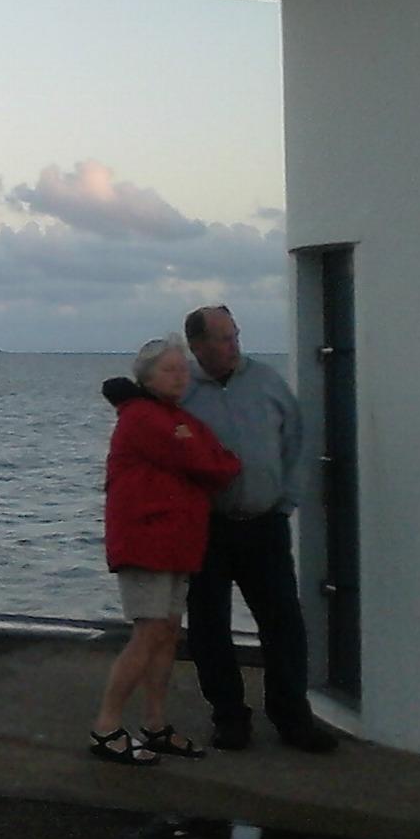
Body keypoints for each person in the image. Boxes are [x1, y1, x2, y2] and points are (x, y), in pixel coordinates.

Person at [182, 305, 339, 753]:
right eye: (223, 338)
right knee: (209, 627)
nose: (234, 345)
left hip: (264, 526)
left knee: (284, 622)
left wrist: (285, 502)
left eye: (235, 335)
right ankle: (229, 717)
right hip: (207, 529)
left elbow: (297, 443)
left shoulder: (267, 382)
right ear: (197, 345)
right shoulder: (181, 391)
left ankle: (292, 717)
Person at [91, 336, 243, 765]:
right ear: (147, 377)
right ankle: (106, 726)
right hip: (148, 541)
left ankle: (155, 723)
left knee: (166, 634)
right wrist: (216, 459)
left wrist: (212, 456)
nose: (180, 377)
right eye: (169, 370)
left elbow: (212, 456)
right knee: (149, 634)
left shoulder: (174, 417)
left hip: (175, 542)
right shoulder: (144, 417)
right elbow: (208, 462)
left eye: (183, 369)